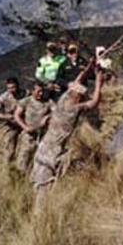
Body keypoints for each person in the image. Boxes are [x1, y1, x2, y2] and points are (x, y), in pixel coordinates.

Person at [30, 61, 102, 198]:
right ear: (76, 97)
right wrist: (98, 80)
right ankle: (40, 217)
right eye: (80, 96)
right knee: (43, 191)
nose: (81, 98)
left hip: (42, 148)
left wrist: (88, 68)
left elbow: (76, 82)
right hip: (52, 153)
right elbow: (94, 102)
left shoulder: (62, 101)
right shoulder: (73, 110)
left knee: (38, 182)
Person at [13, 81, 52, 172]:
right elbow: (16, 115)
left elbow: (57, 112)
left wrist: (49, 117)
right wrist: (25, 127)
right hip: (29, 135)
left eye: (42, 91)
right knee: (24, 159)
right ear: (32, 91)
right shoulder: (25, 101)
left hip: (43, 136)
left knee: (40, 160)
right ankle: (19, 179)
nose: (41, 94)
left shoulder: (48, 102)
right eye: (38, 91)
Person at [0, 76, 25, 165]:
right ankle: (8, 166)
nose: (11, 90)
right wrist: (5, 116)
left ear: (18, 86)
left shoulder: (25, 93)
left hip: (25, 122)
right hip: (12, 125)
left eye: (13, 87)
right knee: (9, 148)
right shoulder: (4, 97)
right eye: (9, 88)